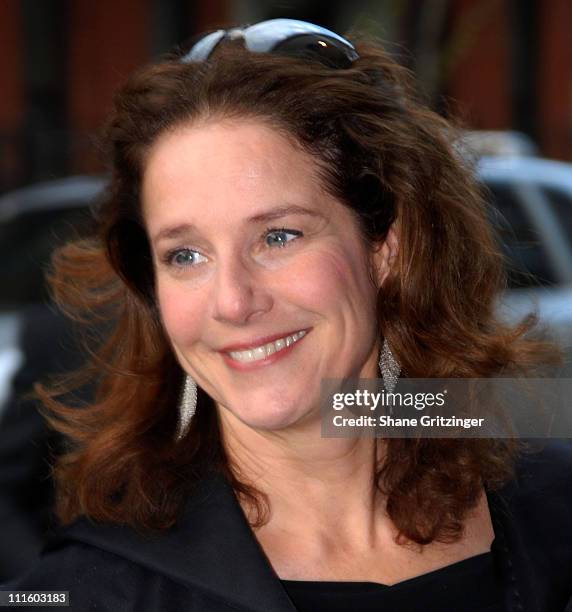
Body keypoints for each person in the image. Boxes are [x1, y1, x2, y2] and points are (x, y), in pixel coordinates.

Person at [4, 18, 572, 612]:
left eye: (278, 236)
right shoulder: (90, 591)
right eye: (186, 255)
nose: (232, 301)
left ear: (385, 247)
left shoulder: (549, 514)